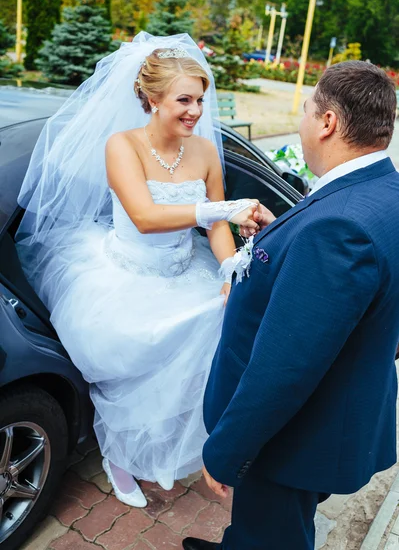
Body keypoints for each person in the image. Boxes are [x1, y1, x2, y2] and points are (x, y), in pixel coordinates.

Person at [16, 33, 258, 508]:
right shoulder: (121, 146)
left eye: (200, 100)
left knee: (178, 380)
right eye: (184, 99)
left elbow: (214, 229)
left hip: (185, 273)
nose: (195, 110)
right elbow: (146, 217)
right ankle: (119, 458)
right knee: (126, 378)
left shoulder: (205, 152)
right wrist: (217, 211)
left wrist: (228, 266)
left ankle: (156, 451)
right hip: (125, 277)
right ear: (152, 99)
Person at [183, 61, 399, 550]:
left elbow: (284, 368)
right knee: (268, 526)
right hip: (337, 412)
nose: (301, 122)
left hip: (293, 435)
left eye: (306, 110)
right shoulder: (385, 190)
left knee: (274, 535)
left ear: (328, 123)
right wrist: (288, 241)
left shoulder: (338, 229)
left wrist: (227, 452)